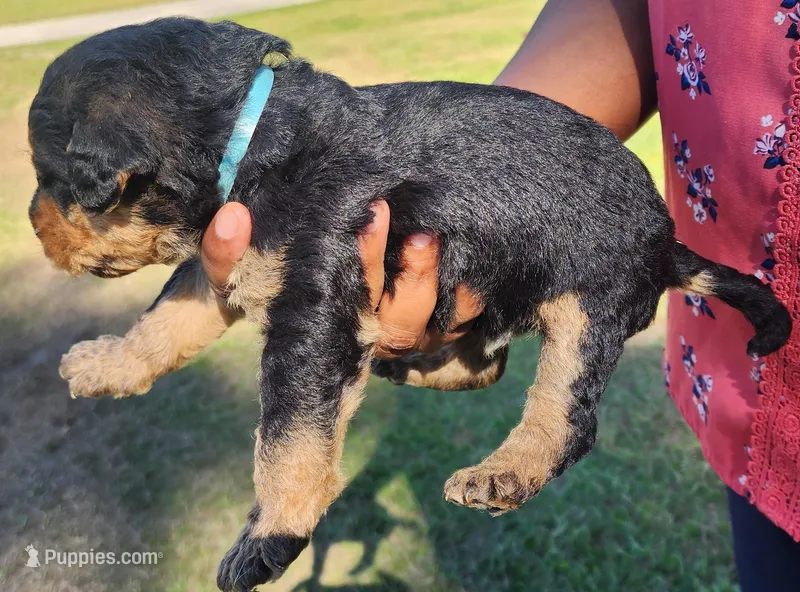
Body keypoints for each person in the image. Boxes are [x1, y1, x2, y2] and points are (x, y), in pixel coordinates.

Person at [200, 1, 800, 588]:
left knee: (577, 331)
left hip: (642, 261)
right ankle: (474, 357)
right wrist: (473, 171)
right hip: (754, 415)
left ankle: (547, 435)